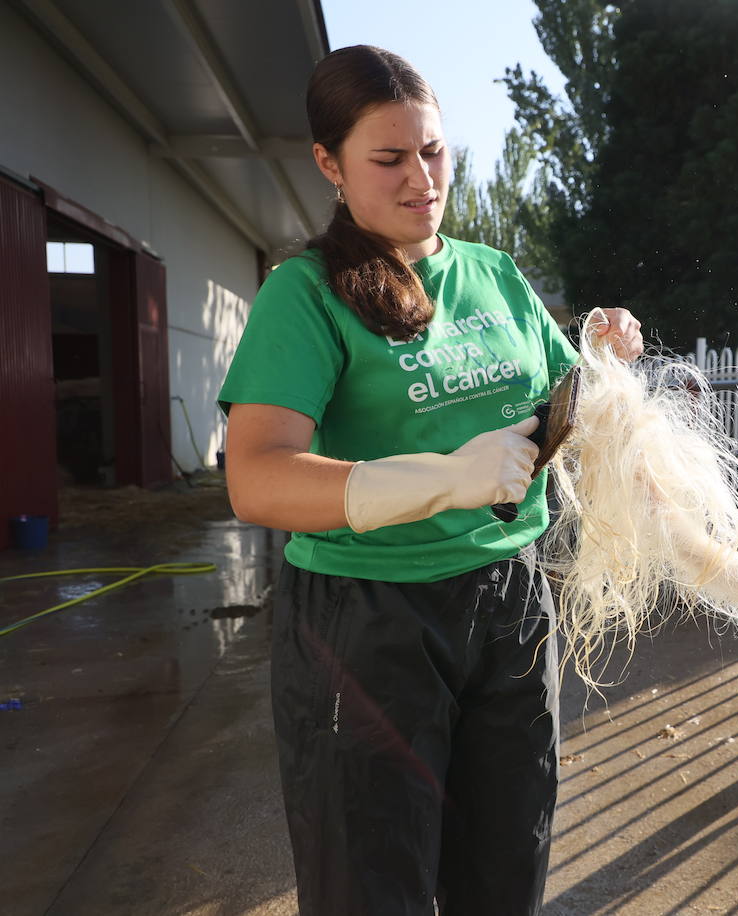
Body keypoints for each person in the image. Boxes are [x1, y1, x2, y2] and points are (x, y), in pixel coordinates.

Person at [218, 45, 643, 916]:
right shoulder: (304, 295)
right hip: (369, 623)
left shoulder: (492, 275)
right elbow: (256, 480)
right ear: (330, 165)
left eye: (435, 151)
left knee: (504, 865)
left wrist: (597, 365)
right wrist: (438, 480)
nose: (423, 178)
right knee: (372, 881)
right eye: (390, 158)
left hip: (511, 604)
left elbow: (558, 418)